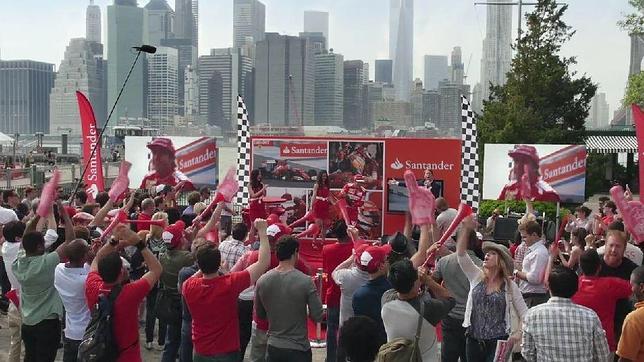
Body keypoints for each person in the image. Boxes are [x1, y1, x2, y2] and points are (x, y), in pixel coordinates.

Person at [182, 219, 270, 361]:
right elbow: (263, 262)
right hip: (226, 351)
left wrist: (205, 266)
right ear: (219, 263)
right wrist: (263, 232)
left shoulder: (188, 286)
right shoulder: (230, 283)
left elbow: (194, 276)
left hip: (200, 351)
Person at [86, 224, 163, 362]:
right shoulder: (130, 292)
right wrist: (139, 244)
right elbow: (156, 269)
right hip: (127, 355)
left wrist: (113, 240)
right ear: (122, 272)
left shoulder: (92, 285)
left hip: (99, 352)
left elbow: (98, 258)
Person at [456, 216, 528, 362]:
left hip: (498, 342)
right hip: (473, 340)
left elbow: (525, 313)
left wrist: (518, 334)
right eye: (487, 253)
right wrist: (465, 229)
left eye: (492, 253)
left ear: (501, 261)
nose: (487, 255)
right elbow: (461, 255)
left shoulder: (509, 286)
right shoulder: (476, 277)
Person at [12, 203, 74, 361]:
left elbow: (27, 233)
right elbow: (70, 242)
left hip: (27, 322)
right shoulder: (47, 262)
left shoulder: (19, 261)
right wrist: (65, 215)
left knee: (30, 357)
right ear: (40, 247)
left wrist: (39, 215)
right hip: (47, 323)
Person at [255, 235, 323, 362]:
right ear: (295, 252)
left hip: (273, 346)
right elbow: (318, 315)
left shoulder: (262, 280)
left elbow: (260, 314)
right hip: (298, 347)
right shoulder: (305, 281)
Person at [521, 266, 610, 361]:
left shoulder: (532, 315)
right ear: (576, 288)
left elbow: (527, 353)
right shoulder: (590, 316)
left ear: (548, 286)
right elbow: (603, 355)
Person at [382, 259, 455, 361]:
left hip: (397, 357)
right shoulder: (427, 308)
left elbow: (401, 286)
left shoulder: (386, 299)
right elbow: (450, 299)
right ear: (415, 282)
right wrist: (428, 280)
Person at [433, 228, 484, 362]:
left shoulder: (444, 261)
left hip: (450, 316)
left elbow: (432, 284)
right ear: (474, 243)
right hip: (473, 320)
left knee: (448, 357)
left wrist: (443, 300)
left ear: (457, 242)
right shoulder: (481, 265)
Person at [571, 249, 632, 352]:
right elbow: (634, 287)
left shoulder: (572, 285)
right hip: (605, 342)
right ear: (599, 267)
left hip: (579, 341)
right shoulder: (610, 285)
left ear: (580, 266)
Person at [159, 220, 195, 362]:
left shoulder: (162, 255)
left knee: (171, 341)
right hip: (183, 303)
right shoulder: (186, 257)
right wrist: (191, 240)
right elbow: (195, 256)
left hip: (169, 302)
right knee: (185, 342)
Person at [598, 230, 638, 346]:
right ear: (605, 245)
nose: (614, 250)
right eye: (611, 245)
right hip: (598, 323)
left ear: (624, 248)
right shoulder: (594, 265)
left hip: (621, 322)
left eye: (618, 246)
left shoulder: (632, 270)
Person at [54, 238, 91, 362]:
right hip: (85, 333)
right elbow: (93, 271)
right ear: (84, 256)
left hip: (70, 332)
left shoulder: (58, 270)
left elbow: (82, 268)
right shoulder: (84, 281)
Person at [322, 220, 354, 362]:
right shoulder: (356, 249)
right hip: (350, 295)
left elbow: (325, 272)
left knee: (332, 329)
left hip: (333, 295)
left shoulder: (327, 249)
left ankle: (331, 359)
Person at [352, 244, 392, 346]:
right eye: (386, 259)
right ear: (381, 265)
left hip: (366, 346)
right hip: (388, 344)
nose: (388, 262)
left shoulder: (358, 295)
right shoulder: (392, 290)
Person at [1, 218, 25, 362]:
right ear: (18, 237)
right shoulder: (20, 248)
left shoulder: (5, 246)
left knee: (15, 341)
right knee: (26, 344)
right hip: (23, 301)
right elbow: (50, 237)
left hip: (13, 300)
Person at [514, 220, 549, 307]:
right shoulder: (534, 251)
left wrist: (515, 272)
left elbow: (535, 279)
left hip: (534, 298)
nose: (522, 240)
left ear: (534, 235)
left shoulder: (539, 253)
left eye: (524, 237)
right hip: (530, 296)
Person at [616, 265, 644, 362]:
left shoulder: (635, 319)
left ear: (641, 287)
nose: (630, 290)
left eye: (632, 285)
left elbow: (625, 359)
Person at [248, 169, 268, 242]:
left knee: (262, 225)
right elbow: (253, 195)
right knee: (253, 226)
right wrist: (262, 189)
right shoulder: (249, 185)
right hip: (254, 206)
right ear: (255, 175)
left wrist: (264, 190)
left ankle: (260, 242)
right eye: (259, 174)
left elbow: (264, 195)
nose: (260, 175)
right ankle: (251, 243)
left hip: (261, 206)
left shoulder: (261, 184)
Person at [311, 170, 331, 241]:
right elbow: (314, 195)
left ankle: (323, 240)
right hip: (318, 204)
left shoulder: (327, 185)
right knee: (318, 224)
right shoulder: (317, 185)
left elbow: (329, 195)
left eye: (325, 176)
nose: (324, 178)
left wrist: (334, 203)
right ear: (320, 176)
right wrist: (311, 206)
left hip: (325, 205)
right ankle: (314, 240)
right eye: (323, 176)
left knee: (325, 225)